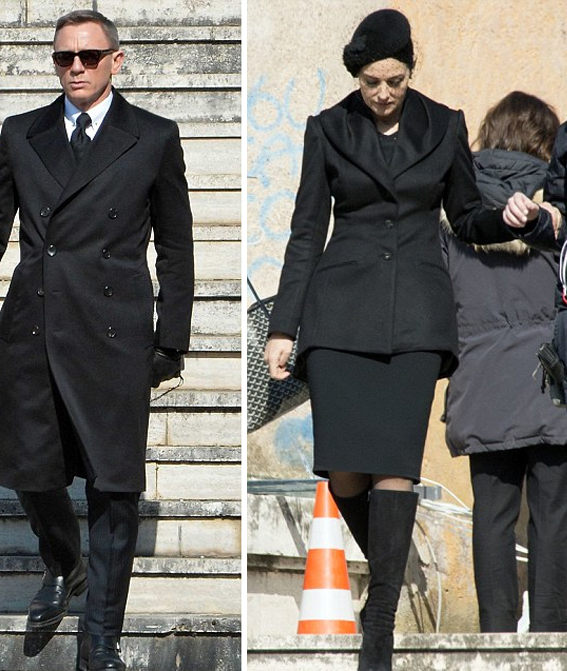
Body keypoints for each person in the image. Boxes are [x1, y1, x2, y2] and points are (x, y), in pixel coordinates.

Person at [262, 9, 532, 671]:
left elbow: (465, 215)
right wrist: (283, 326)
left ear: (411, 70)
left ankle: (379, 614)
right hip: (338, 318)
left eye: (395, 80)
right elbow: (305, 232)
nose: (384, 92)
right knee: (344, 469)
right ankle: (388, 569)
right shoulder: (327, 128)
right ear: (356, 76)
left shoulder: (445, 125)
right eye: (372, 82)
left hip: (415, 318)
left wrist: (505, 218)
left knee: (394, 466)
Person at [0, 9, 194, 671]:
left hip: (115, 333)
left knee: (114, 488)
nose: (75, 67)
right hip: (33, 323)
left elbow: (175, 245)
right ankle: (63, 560)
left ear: (117, 60)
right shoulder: (21, 133)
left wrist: (171, 337)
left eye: (88, 55)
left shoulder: (153, 136)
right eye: (63, 57)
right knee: (30, 469)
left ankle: (100, 641)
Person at [441, 92, 567, 633]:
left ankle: (493, 635)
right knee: (553, 513)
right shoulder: (554, 203)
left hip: (480, 380)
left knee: (491, 515)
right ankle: (551, 634)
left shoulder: (457, 206)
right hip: (551, 380)